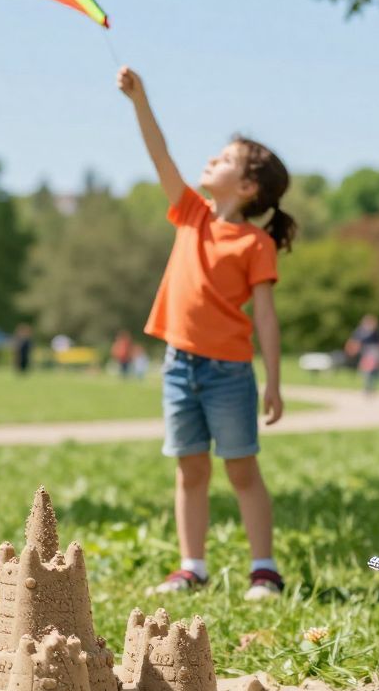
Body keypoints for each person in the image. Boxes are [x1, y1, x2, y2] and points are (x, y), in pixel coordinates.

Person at [117, 65, 295, 602]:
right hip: (178, 367)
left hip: (228, 374)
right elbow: (161, 155)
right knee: (189, 469)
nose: (209, 160)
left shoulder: (254, 244)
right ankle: (191, 565)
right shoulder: (190, 214)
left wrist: (273, 381)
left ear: (246, 186)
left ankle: (263, 568)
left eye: (222, 159)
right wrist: (140, 100)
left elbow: (265, 316)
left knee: (241, 469)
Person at [347, 314, 379, 395]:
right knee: (367, 371)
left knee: (372, 371)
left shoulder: (375, 332)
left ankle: (371, 386)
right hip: (365, 353)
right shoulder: (360, 331)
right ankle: (367, 387)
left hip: (374, 353)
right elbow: (354, 341)